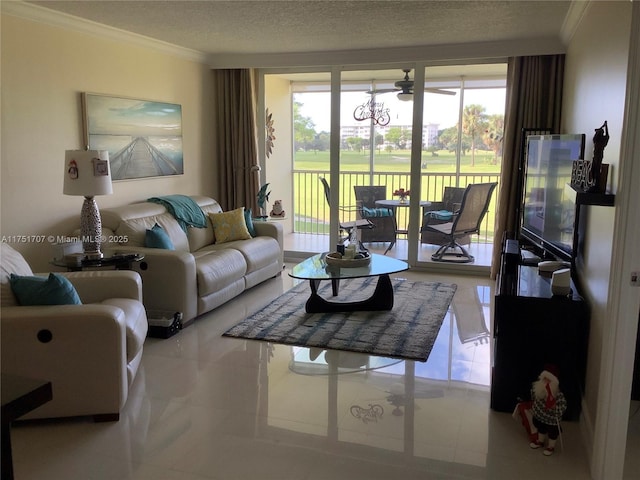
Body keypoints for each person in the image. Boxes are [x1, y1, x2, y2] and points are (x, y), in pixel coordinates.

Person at [529, 365, 567, 456]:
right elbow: (534, 397)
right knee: (541, 428)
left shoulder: (558, 395)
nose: (546, 382)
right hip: (540, 416)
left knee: (552, 432)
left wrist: (555, 407)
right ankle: (540, 441)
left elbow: (563, 406)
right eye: (544, 379)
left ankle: (551, 446)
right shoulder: (539, 390)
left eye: (549, 380)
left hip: (551, 419)